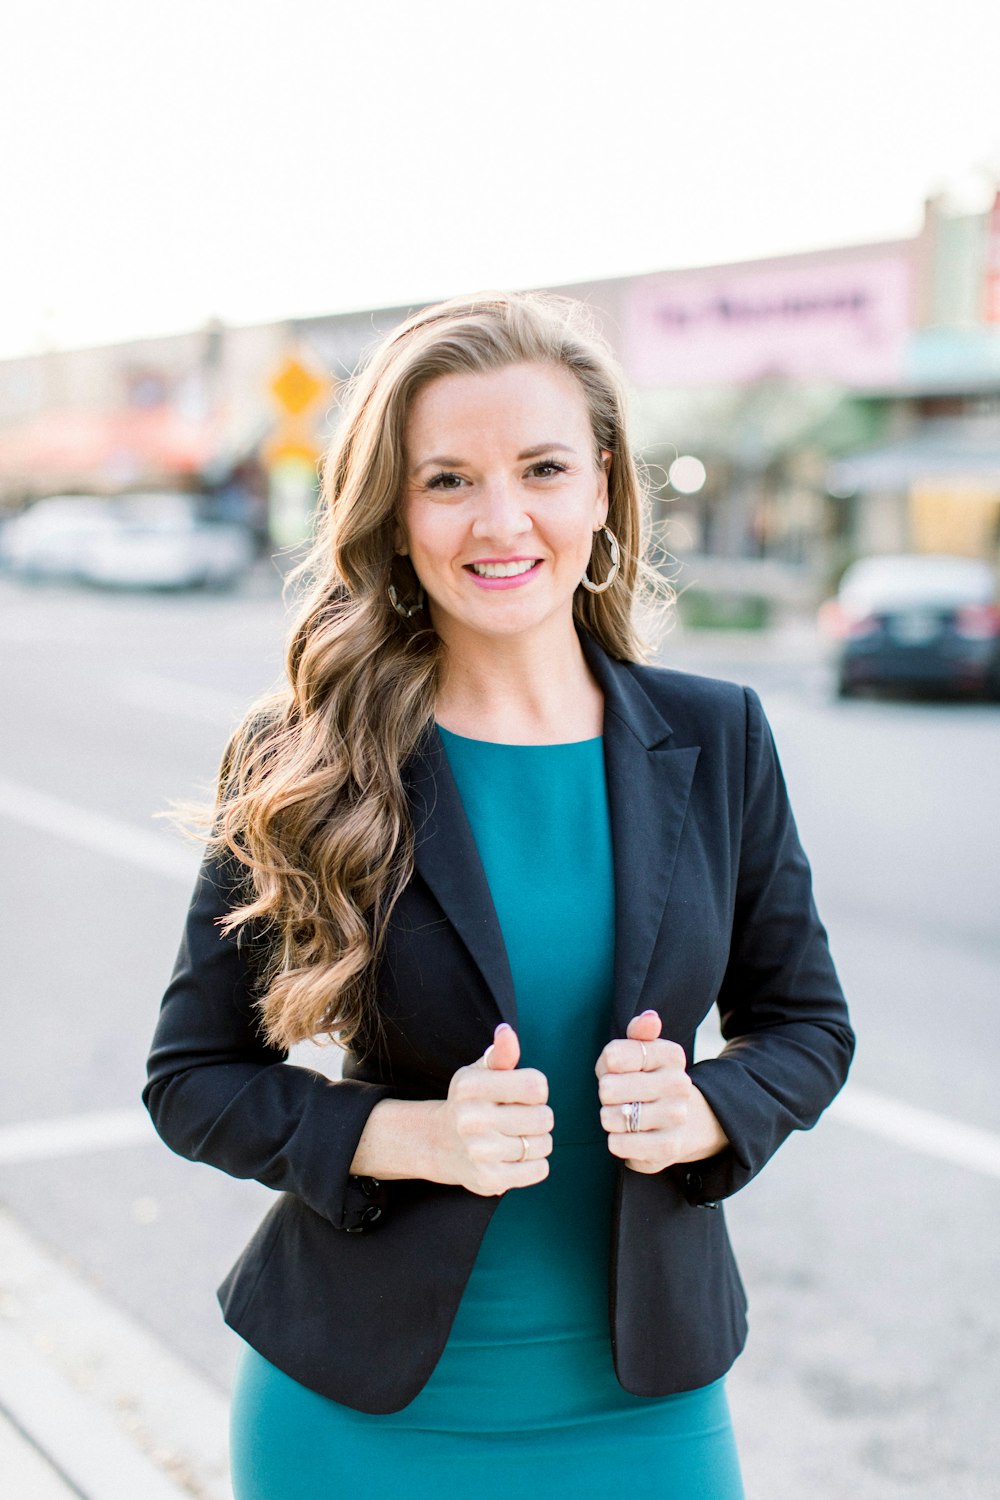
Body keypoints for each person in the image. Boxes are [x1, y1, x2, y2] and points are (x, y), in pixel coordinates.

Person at [144, 291, 854, 1499]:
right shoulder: (304, 750)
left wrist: (710, 1110)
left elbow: (808, 1028)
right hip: (361, 1420)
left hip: (645, 1414)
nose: (501, 519)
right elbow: (191, 1078)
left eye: (540, 468)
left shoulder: (717, 736)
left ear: (601, 487)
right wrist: (401, 1135)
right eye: (449, 480)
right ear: (396, 511)